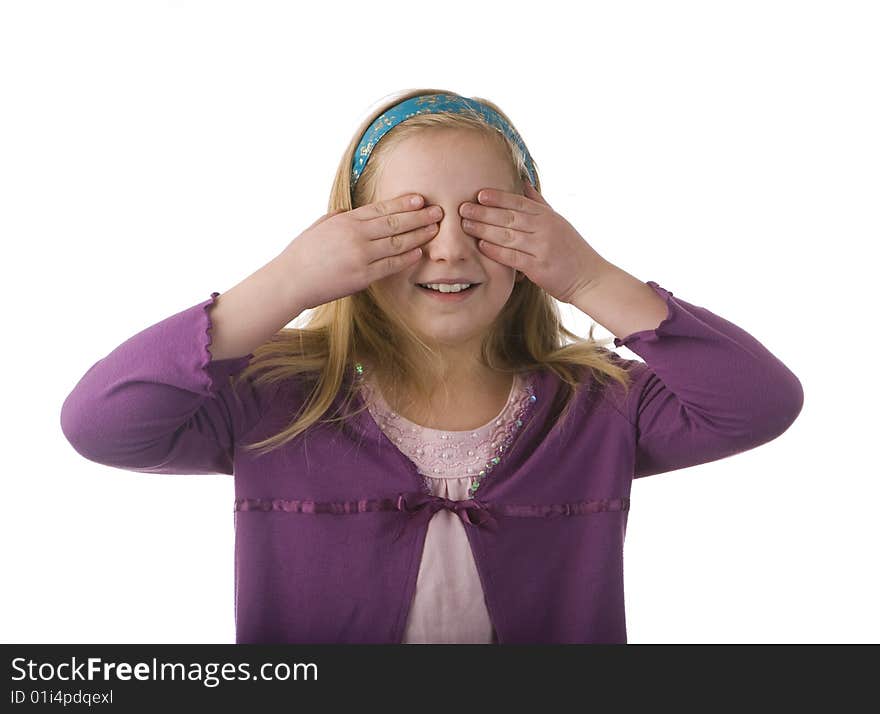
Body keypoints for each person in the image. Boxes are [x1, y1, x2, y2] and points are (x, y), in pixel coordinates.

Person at [60, 88, 804, 644]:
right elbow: (102, 425)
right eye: (408, 221)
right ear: (347, 232)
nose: (449, 249)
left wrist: (584, 278)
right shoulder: (277, 398)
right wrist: (284, 283)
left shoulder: (598, 405)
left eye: (484, 217)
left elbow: (759, 402)